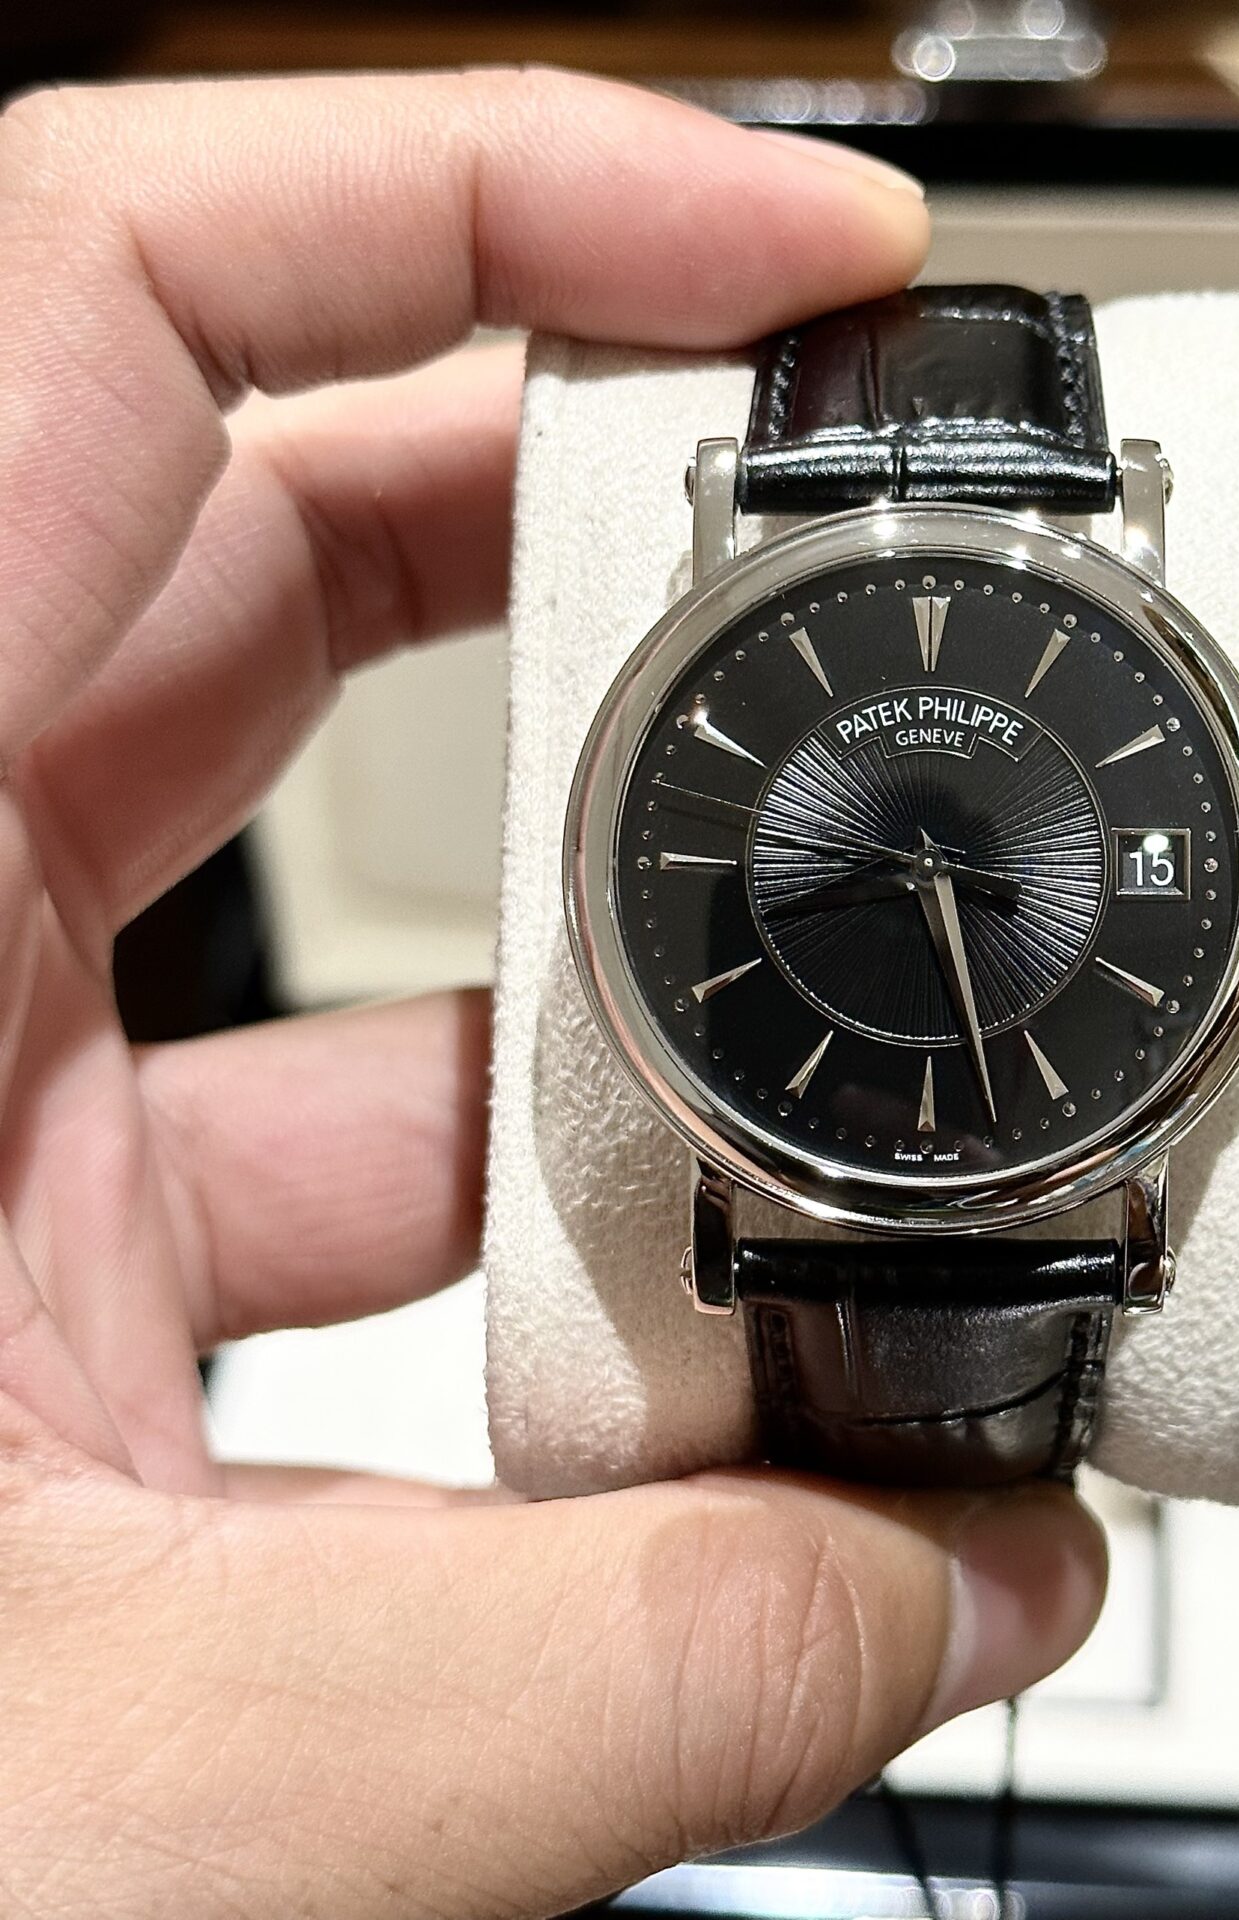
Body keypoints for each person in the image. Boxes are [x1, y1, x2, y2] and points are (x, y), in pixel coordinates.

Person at [0, 68, 1105, 1917]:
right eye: (904, 865)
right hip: (774, 1166)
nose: (925, 871)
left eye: (945, 870)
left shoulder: (1060, 636)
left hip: (1016, 1172)